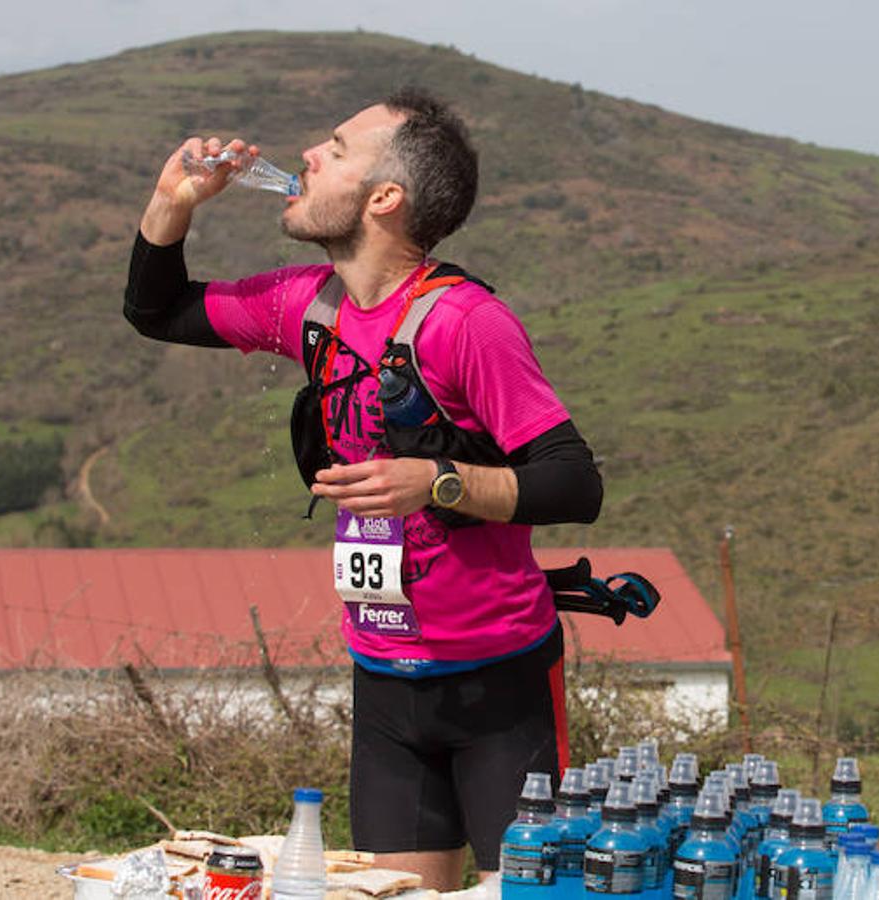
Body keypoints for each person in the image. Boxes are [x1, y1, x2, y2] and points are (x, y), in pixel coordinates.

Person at [122, 88, 602, 892]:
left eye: (336, 149)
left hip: (499, 684)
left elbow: (574, 481)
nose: (308, 155)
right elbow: (156, 309)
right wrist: (172, 202)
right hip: (384, 682)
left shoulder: (467, 323)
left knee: (521, 895)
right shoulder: (305, 305)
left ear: (385, 199)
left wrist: (436, 482)